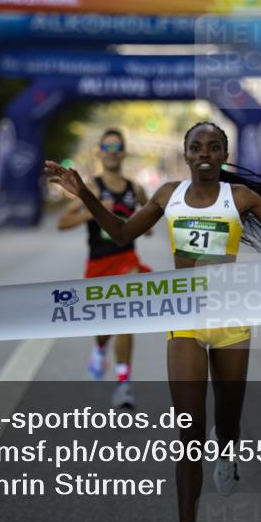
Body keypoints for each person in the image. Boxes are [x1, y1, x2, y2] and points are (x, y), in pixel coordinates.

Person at [46, 122, 261, 522]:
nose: (204, 153)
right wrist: (84, 194)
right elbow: (120, 234)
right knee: (189, 433)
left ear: (224, 154)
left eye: (213, 146)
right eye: (196, 147)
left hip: (231, 320)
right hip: (185, 319)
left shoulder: (240, 197)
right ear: (187, 154)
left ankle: (227, 449)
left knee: (226, 425)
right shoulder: (167, 195)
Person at [56, 129, 152, 410]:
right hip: (98, 263)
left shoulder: (136, 190)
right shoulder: (93, 188)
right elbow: (62, 222)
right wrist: (93, 209)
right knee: (104, 325)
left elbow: (149, 222)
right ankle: (99, 349)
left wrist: (139, 225)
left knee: (125, 319)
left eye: (117, 146)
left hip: (127, 261)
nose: (111, 150)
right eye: (107, 146)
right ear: (100, 152)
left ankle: (124, 385)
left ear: (123, 153)